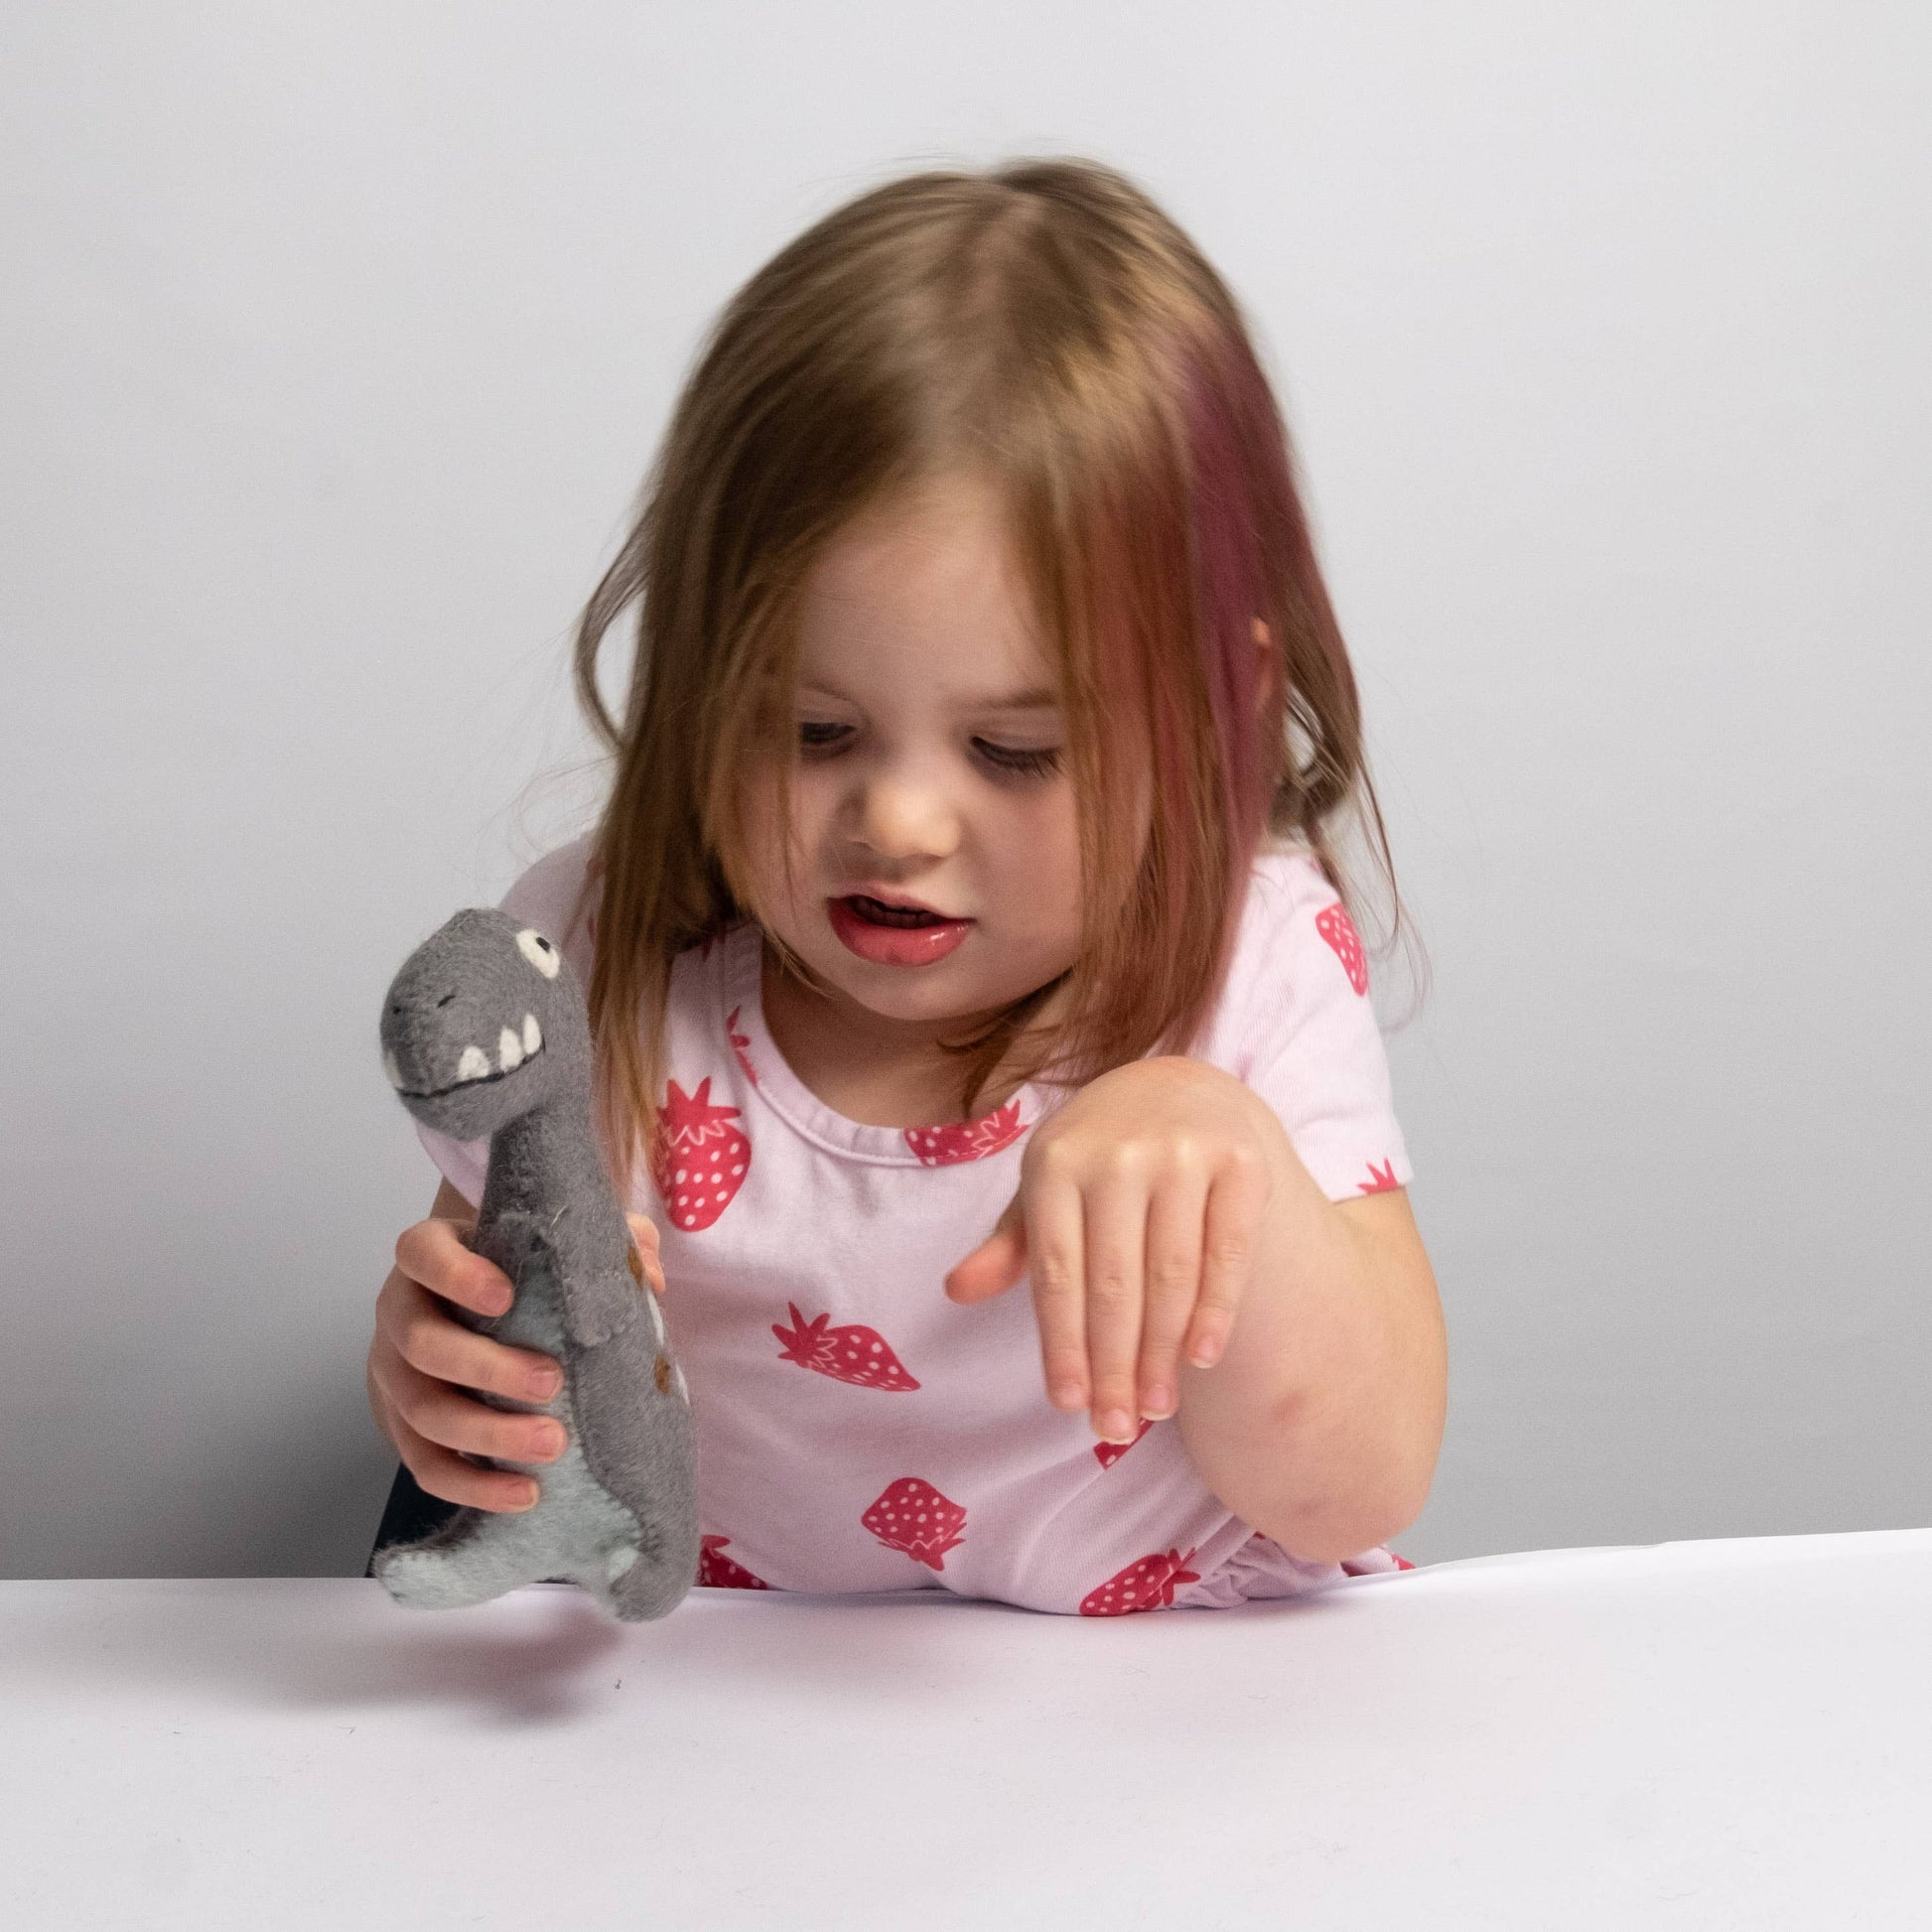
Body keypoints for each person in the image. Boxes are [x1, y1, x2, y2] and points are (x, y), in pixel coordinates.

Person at [364, 156, 1447, 1616]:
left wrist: (1228, 1161)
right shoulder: (602, 950)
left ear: (1219, 712)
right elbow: (503, 1345)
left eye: (1015, 750)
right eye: (810, 731)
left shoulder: (1243, 965)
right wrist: (445, 1378)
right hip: (722, 1714)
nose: (897, 821)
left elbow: (1367, 1476)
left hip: (1174, 1712)